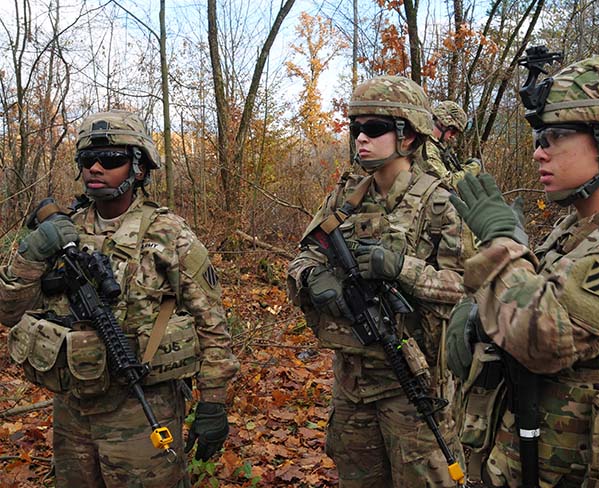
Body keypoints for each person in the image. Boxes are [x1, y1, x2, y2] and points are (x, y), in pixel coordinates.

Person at [445, 56, 599, 486]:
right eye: (539, 136)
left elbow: (547, 337)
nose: (538, 151)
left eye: (556, 136)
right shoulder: (576, 234)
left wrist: (502, 243)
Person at [0, 110, 239, 487]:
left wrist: (213, 401)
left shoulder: (168, 233)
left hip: (143, 408)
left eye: (111, 159)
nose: (96, 168)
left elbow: (211, 321)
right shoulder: (63, 231)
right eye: (87, 160)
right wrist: (30, 254)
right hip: (74, 407)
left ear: (138, 168)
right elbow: (8, 312)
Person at [288, 76, 468, 487]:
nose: (361, 139)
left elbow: (470, 291)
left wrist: (401, 268)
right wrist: (313, 277)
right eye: (356, 129)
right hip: (353, 383)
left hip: (415, 384)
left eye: (374, 129)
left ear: (407, 136)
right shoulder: (345, 197)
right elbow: (304, 255)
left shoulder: (441, 203)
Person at [418, 100, 481, 188]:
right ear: (442, 124)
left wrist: (465, 167)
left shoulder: (438, 145)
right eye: (453, 131)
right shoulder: (427, 148)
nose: (453, 136)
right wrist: (473, 168)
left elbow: (449, 170)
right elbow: (449, 183)